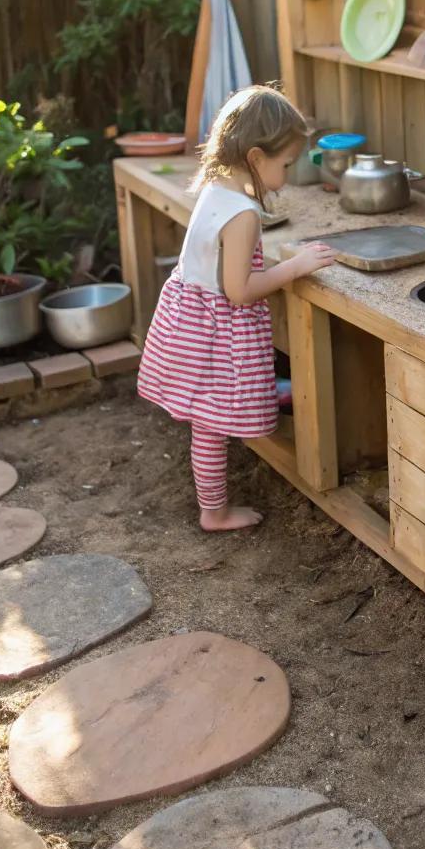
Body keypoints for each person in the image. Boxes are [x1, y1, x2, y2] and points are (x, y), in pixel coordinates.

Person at [138, 85, 334, 530]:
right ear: (256, 157)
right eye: (285, 164)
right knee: (209, 423)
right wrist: (297, 267)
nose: (287, 173)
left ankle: (270, 393)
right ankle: (215, 512)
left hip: (188, 319)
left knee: (204, 416)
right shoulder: (242, 213)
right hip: (213, 328)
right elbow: (239, 291)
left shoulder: (214, 188)